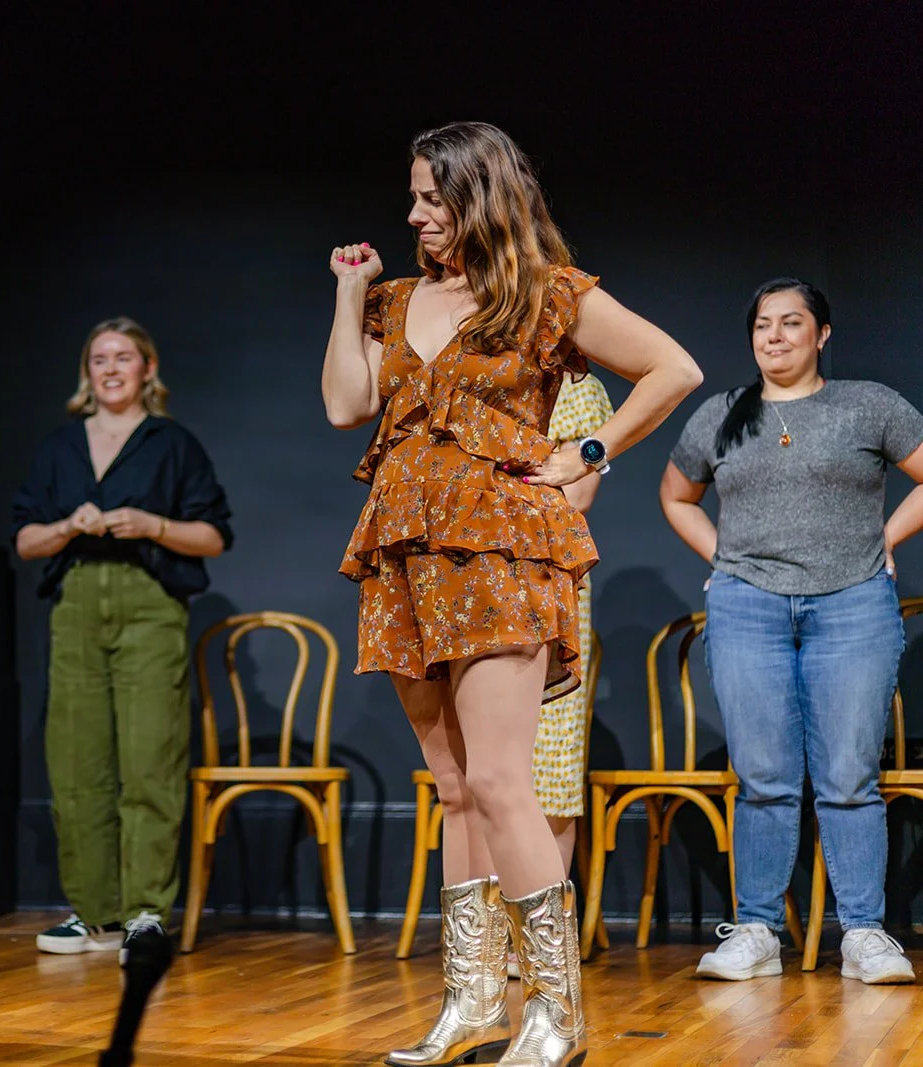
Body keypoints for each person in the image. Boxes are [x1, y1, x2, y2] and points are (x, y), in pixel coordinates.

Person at [322, 122, 701, 1067]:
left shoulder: (544, 292)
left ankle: (558, 1014)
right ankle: (472, 1000)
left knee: (498, 778)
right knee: (454, 788)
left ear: (478, 196)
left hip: (500, 551)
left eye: (432, 197)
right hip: (407, 553)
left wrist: (585, 450)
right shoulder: (395, 299)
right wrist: (349, 293)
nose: (415, 214)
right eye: (413, 196)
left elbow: (674, 368)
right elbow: (345, 405)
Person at [660, 278, 923, 985]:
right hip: (749, 608)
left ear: (821, 334)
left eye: (791, 322)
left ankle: (863, 932)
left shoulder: (867, 403)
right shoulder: (721, 414)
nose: (774, 336)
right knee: (763, 776)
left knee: (849, 775)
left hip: (851, 602)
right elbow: (677, 495)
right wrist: (724, 560)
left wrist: (884, 540)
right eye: (762, 324)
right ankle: (758, 931)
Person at [13, 317, 231, 963]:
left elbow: (214, 536)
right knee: (76, 764)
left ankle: (145, 914)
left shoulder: (172, 443)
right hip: (77, 607)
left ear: (148, 368)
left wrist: (151, 524)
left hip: (149, 606)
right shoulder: (60, 446)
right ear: (87, 373)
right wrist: (66, 526)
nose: (111, 369)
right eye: (99, 359)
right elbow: (26, 540)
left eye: (124, 357)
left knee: (149, 761)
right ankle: (94, 914)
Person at [506, 372, 613, 980]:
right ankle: (488, 933)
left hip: (549, 582)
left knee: (550, 771)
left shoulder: (578, 387)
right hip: (479, 583)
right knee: (490, 768)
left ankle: (541, 941)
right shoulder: (480, 373)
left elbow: (577, 494)